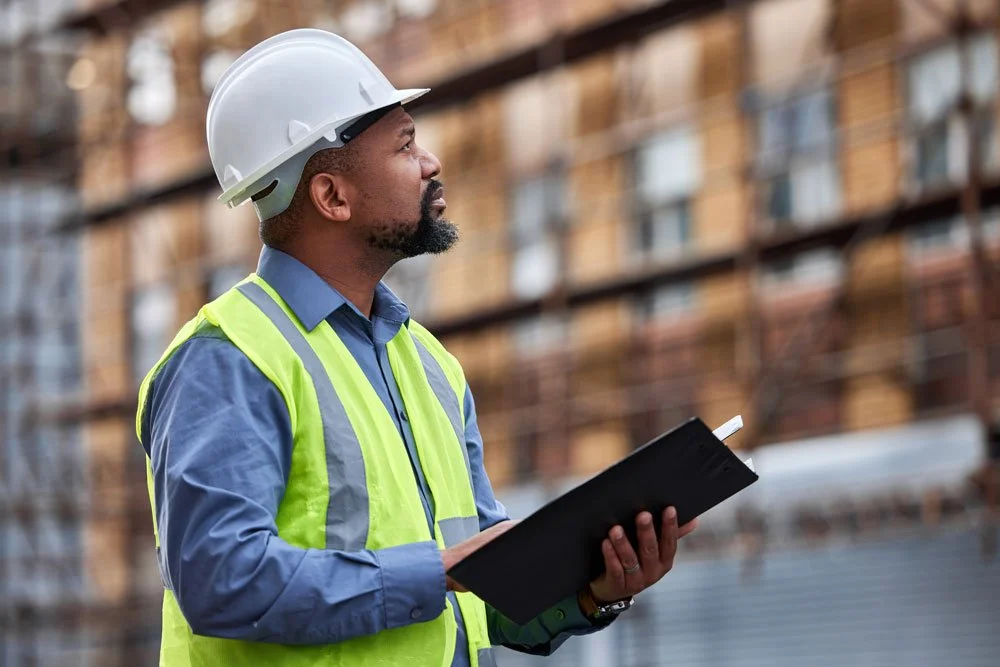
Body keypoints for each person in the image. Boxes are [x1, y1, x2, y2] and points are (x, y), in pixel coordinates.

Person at [137, 29, 698, 667]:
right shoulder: (229, 359)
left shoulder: (430, 364)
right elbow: (221, 580)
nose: (430, 162)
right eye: (405, 145)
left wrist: (594, 592)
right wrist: (435, 572)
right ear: (332, 197)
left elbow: (480, 591)